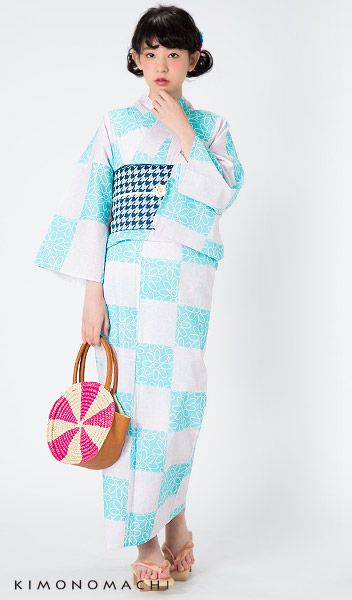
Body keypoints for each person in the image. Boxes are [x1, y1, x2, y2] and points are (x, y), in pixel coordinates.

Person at [33, 4, 244, 590]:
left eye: (173, 53)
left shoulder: (212, 128)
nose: (161, 64)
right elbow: (92, 208)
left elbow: (223, 194)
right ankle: (145, 537)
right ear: (135, 58)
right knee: (131, 404)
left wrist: (182, 130)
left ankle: (176, 517)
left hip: (185, 277)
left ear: (194, 59)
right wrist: (92, 292)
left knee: (178, 403)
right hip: (125, 274)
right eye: (150, 53)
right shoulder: (115, 125)